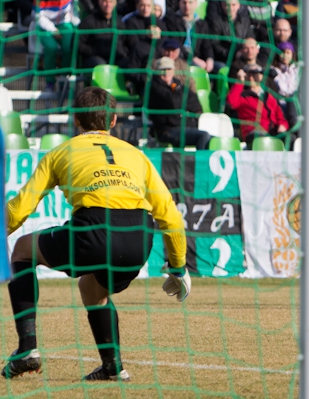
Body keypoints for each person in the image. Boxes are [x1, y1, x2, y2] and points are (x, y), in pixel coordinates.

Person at [3, 87, 189, 381]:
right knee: (91, 288)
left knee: (23, 250)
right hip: (138, 238)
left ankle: (27, 348)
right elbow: (169, 214)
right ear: (114, 121)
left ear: (75, 121)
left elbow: (21, 208)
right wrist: (178, 266)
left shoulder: (60, 152)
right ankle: (113, 368)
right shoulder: (137, 155)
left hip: (93, 228)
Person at [147, 57, 211, 149]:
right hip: (167, 130)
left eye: (168, 69)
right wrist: (182, 103)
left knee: (212, 140)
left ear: (173, 70)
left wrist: (179, 102)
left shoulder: (178, 84)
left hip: (185, 126)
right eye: (162, 70)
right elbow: (173, 103)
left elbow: (195, 103)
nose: (166, 72)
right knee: (203, 136)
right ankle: (199, 163)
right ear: (157, 71)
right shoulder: (154, 87)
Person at [35, 0, 79, 88]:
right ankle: (49, 81)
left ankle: (64, 78)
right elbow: (37, 15)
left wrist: (76, 21)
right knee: (51, 48)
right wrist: (52, 29)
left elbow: (74, 6)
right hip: (45, 26)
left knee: (69, 46)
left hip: (64, 23)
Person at [228, 64, 289, 144]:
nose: (252, 78)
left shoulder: (269, 96)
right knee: (259, 136)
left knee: (290, 138)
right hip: (254, 133)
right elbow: (231, 102)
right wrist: (240, 81)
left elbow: (280, 116)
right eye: (249, 74)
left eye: (255, 74)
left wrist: (282, 125)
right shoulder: (243, 96)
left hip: (273, 132)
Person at [77, 0, 124, 69]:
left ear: (115, 3)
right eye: (105, 1)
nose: (108, 4)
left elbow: (125, 41)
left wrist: (122, 52)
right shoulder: (88, 22)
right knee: (101, 66)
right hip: (94, 59)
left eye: (110, 1)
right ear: (99, 2)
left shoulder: (119, 23)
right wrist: (93, 51)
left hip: (115, 57)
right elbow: (77, 43)